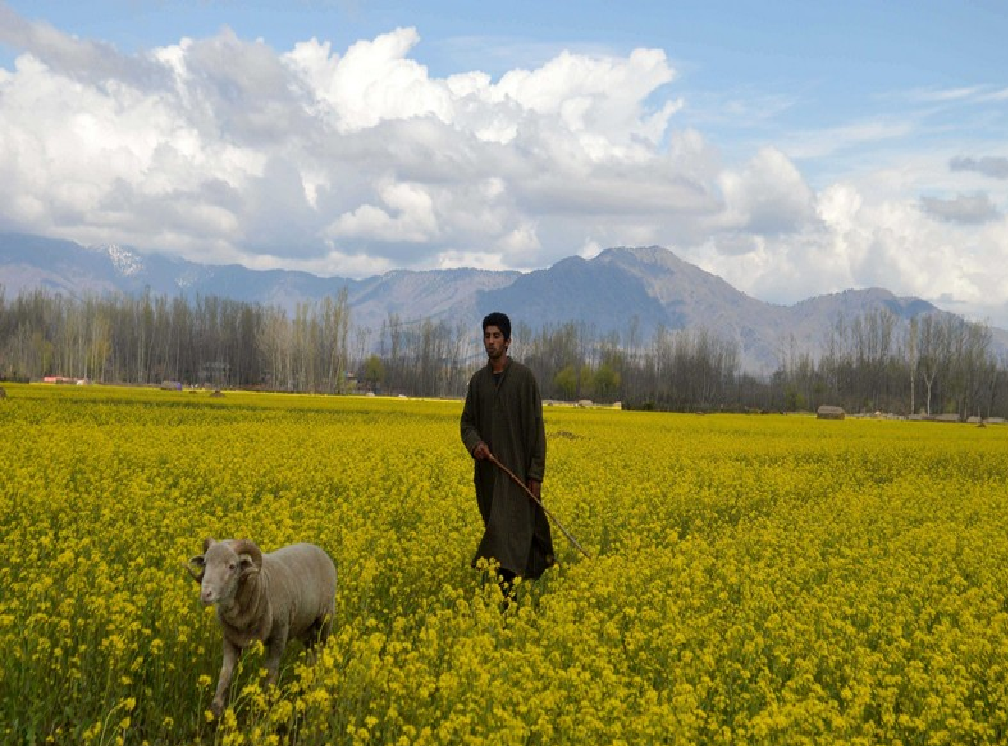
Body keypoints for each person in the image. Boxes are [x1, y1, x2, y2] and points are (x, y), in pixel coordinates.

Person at [460, 312, 555, 593]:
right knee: (500, 535)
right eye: (487, 336)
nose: (491, 342)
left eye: (496, 336)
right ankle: (507, 601)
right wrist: (475, 444)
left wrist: (535, 475)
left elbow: (537, 430)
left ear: (508, 341)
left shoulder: (524, 380)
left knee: (508, 537)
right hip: (490, 477)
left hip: (517, 476)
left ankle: (507, 601)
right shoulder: (477, 383)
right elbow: (467, 423)